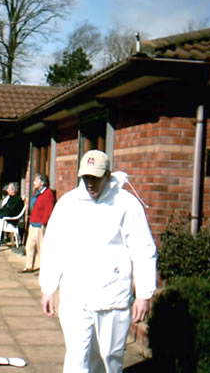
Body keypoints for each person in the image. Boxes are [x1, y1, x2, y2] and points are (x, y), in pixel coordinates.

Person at [39, 150, 157, 373]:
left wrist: (143, 293)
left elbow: (143, 249)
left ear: (108, 175)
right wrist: (48, 288)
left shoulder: (126, 204)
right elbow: (54, 247)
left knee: (110, 358)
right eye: (86, 178)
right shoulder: (68, 203)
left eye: (96, 177)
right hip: (76, 295)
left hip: (112, 297)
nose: (90, 183)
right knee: (77, 357)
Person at [18, 174, 55, 272]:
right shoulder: (37, 192)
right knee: (30, 246)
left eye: (36, 181)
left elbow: (49, 209)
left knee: (41, 248)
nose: (34, 183)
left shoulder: (48, 193)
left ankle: (44, 269)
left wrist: (43, 222)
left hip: (40, 225)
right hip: (33, 223)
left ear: (42, 183)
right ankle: (29, 266)